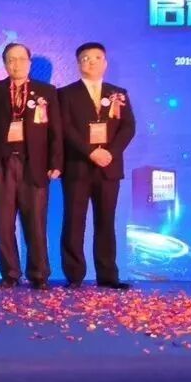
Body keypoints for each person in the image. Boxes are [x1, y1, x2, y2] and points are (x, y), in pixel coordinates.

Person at [0, 43, 62, 291]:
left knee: (36, 223)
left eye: (21, 59)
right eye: (11, 60)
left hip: (34, 164)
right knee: (3, 224)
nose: (16, 64)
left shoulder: (46, 91)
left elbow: (56, 131)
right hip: (2, 164)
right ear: (5, 64)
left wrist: (55, 162)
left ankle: (39, 274)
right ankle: (9, 273)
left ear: (30, 62)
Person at [59, 42, 136, 290]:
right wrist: (91, 152)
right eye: (85, 58)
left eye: (96, 57)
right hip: (78, 166)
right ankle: (74, 276)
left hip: (108, 167)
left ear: (105, 63)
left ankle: (108, 276)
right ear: (78, 64)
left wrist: (109, 153)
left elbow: (128, 127)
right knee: (74, 221)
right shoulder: (65, 94)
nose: (90, 62)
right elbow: (65, 128)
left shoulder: (118, 93)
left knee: (106, 221)